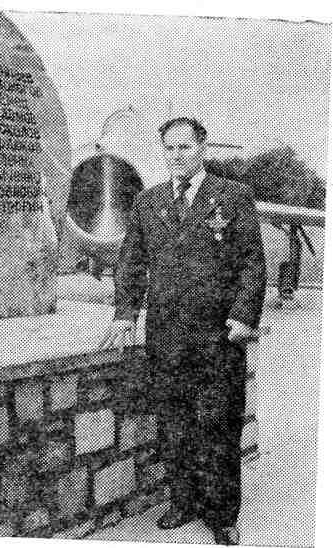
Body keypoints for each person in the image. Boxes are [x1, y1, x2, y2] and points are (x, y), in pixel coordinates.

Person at [100, 117, 266, 545]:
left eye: (185, 147)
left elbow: (252, 262)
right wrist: (125, 313)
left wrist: (244, 315)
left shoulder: (233, 196)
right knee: (174, 424)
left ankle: (222, 515)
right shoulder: (148, 202)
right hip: (167, 336)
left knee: (218, 426)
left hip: (218, 337)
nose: (177, 155)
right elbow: (131, 262)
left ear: (202, 147)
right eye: (170, 149)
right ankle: (183, 501)